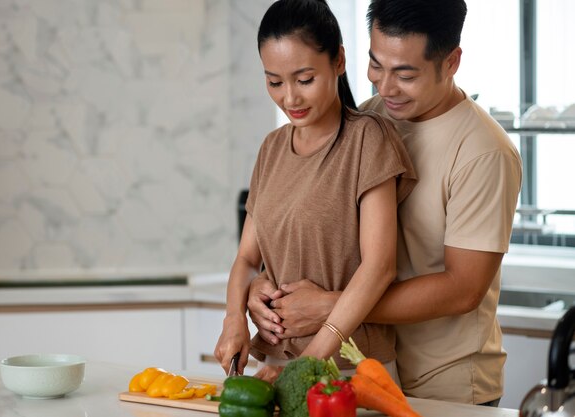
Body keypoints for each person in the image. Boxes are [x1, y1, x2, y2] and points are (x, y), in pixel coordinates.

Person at [247, 0, 522, 406]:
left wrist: (327, 306)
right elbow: (321, 230)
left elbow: (462, 289)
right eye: (377, 65)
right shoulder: (369, 120)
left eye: (405, 74)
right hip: (363, 370)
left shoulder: (483, 151)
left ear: (451, 62)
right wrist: (261, 287)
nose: (385, 86)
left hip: (444, 385)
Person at [213, 0, 416, 383]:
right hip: (275, 364)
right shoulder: (272, 148)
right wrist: (234, 318)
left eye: (304, 79)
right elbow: (246, 258)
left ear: (338, 61)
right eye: (274, 81)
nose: (290, 98)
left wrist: (310, 361)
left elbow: (379, 267)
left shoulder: (367, 140)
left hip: (349, 368)